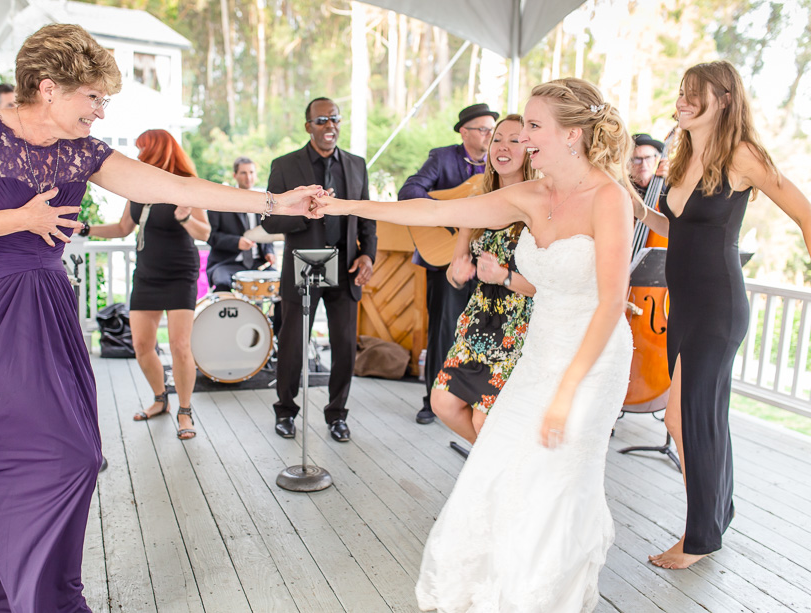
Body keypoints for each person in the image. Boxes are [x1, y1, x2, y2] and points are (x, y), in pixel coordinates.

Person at [0, 23, 317, 611]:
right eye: (92, 97)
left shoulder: (83, 152)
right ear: (47, 88)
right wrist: (19, 219)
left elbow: (175, 183)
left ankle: (29, 593)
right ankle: (41, 599)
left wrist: (274, 202)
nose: (100, 111)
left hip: (48, 304)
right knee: (8, 457)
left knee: (76, 456)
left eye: (104, 100)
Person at [314, 77, 636, 611]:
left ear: (574, 135)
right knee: (497, 466)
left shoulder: (610, 199)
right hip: (539, 353)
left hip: (592, 362)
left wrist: (566, 392)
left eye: (534, 126)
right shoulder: (530, 195)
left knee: (556, 482)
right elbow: (436, 213)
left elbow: (608, 304)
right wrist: (342, 206)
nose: (521, 137)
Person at [632, 60, 811, 570]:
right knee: (701, 418)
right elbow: (675, 227)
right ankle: (717, 512)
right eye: (681, 93)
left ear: (724, 98)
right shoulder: (686, 154)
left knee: (683, 417)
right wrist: (629, 202)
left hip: (718, 305)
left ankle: (700, 536)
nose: (683, 101)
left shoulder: (742, 154)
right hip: (682, 303)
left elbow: (804, 211)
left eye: (695, 94)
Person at [262, 97, 377, 443]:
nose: (330, 126)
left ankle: (337, 415)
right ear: (308, 126)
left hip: (346, 267)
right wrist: (304, 211)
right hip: (304, 264)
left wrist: (368, 255)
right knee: (294, 344)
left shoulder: (356, 165)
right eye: (322, 120)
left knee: (343, 346)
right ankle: (285, 410)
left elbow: (366, 216)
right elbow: (269, 222)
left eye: (335, 119)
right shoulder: (285, 165)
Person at [85, 129, 211, 440]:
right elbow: (122, 228)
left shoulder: (186, 185)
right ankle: (160, 399)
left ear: (157, 151)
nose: (138, 156)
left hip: (180, 272)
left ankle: (185, 411)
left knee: (181, 346)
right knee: (141, 346)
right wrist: (85, 228)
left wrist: (184, 218)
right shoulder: (138, 188)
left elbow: (204, 233)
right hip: (147, 273)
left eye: (142, 149)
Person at [431, 114, 537, 444]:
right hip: (476, 326)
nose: (503, 146)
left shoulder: (540, 208)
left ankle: (498, 482)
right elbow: (454, 273)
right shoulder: (475, 205)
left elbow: (550, 288)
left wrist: (504, 276)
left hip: (518, 330)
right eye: (497, 139)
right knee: (443, 403)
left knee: (483, 420)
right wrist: (459, 273)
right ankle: (496, 472)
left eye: (514, 140)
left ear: (531, 149)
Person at [399, 102, 498, 425]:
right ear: (463, 132)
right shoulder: (443, 158)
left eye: (491, 129)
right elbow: (409, 190)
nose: (489, 134)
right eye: (482, 129)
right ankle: (432, 400)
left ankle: (470, 400)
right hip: (442, 259)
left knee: (481, 332)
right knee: (443, 330)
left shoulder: (500, 163)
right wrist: (448, 213)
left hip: (487, 262)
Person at [206, 156, 277, 291]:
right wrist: (236, 242)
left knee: (283, 286)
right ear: (235, 175)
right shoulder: (219, 202)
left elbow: (267, 233)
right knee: (222, 283)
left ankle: (270, 313)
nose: (248, 177)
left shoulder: (263, 202)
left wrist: (269, 252)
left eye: (251, 172)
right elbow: (210, 236)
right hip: (226, 263)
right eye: (243, 173)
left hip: (258, 264)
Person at [629, 132, 667, 199]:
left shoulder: (667, 184)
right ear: (628, 163)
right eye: (637, 159)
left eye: (648, 158)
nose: (644, 164)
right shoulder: (622, 188)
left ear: (655, 160)